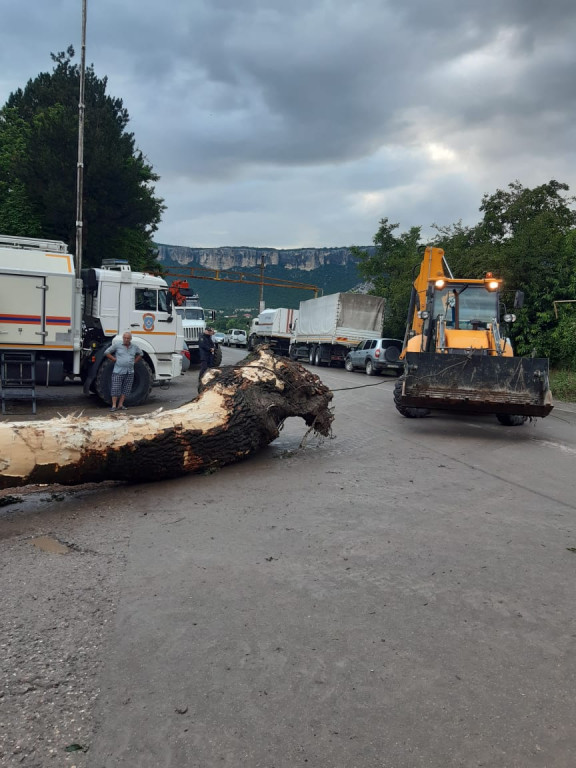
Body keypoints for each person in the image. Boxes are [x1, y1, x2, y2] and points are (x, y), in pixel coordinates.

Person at [105, 332, 143, 412]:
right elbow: (106, 352)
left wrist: (135, 361)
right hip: (118, 371)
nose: (126, 339)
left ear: (130, 339)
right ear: (123, 338)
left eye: (128, 338)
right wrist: (113, 359)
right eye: (125, 338)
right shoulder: (117, 345)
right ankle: (114, 406)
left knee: (126, 389)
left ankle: (120, 405)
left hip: (130, 371)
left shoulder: (134, 347)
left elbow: (141, 353)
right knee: (115, 388)